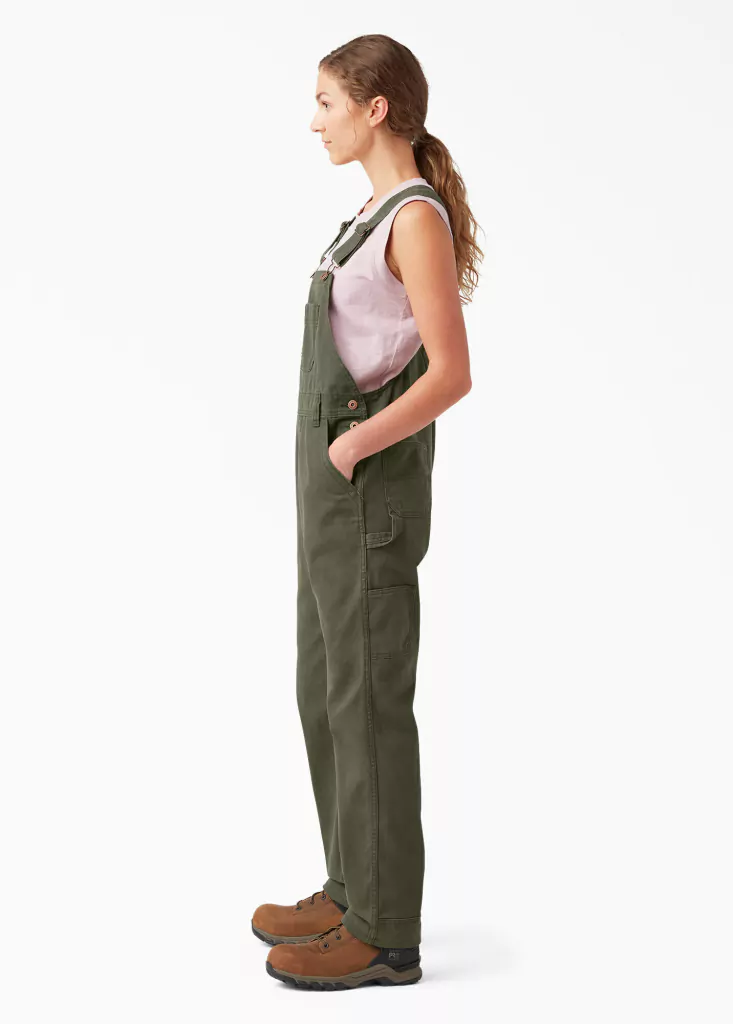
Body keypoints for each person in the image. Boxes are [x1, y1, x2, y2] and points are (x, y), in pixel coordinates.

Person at [251, 33, 482, 990]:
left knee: (370, 697)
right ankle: (352, 888)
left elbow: (451, 373)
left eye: (326, 102)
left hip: (366, 489)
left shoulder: (414, 218)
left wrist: (349, 447)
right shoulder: (367, 215)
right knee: (325, 687)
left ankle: (386, 934)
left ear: (374, 108)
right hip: (331, 495)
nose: (314, 122)